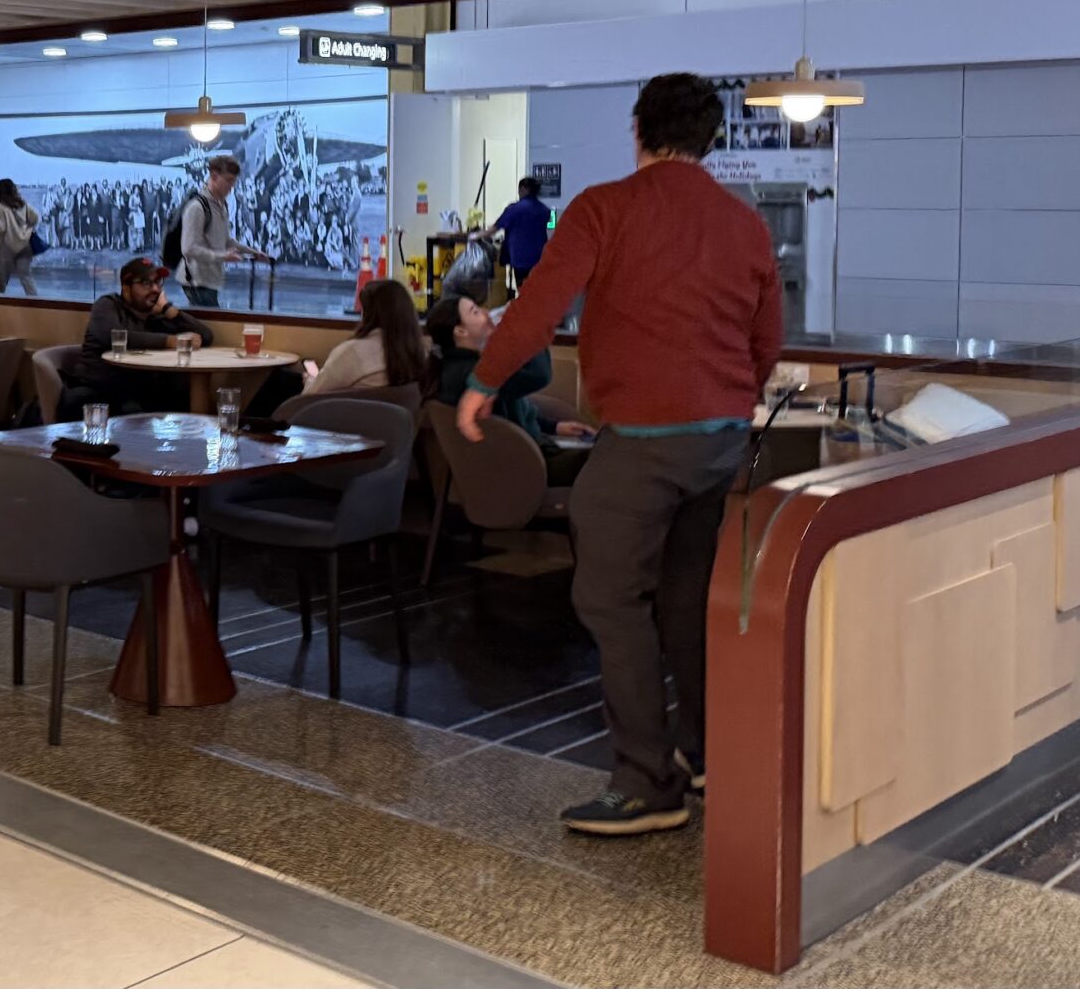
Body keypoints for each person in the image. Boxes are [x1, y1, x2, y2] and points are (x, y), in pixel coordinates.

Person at [458, 73, 781, 837]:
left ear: (638, 129)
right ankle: (706, 754)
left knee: (609, 597)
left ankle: (647, 781)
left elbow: (540, 305)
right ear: (711, 139)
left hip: (642, 440)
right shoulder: (745, 224)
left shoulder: (605, 207)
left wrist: (483, 382)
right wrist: (732, 397)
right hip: (721, 439)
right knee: (685, 595)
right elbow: (767, 337)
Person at [425, 295, 590, 484]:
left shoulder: (456, 366)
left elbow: (512, 410)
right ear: (461, 331)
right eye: (475, 312)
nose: (486, 313)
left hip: (520, 457)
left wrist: (554, 427)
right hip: (525, 468)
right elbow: (539, 375)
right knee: (606, 459)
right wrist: (525, 326)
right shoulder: (474, 374)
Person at [62, 257, 211, 417]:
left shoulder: (156, 316)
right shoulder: (108, 305)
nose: (155, 289)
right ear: (126, 287)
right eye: (146, 283)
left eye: (158, 282)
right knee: (134, 409)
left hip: (136, 392)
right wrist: (171, 341)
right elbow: (113, 336)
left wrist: (169, 309)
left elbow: (206, 336)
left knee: (180, 403)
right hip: (96, 389)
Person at [304, 279, 429, 394]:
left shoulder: (352, 353)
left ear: (369, 313)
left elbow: (310, 395)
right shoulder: (420, 353)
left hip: (346, 412)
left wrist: (310, 380)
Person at [178, 155, 265, 309]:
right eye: (228, 181)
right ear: (214, 177)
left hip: (211, 279)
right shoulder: (197, 207)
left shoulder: (222, 206)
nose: (231, 187)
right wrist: (223, 256)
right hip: (196, 281)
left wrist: (253, 252)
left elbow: (226, 240)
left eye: (233, 182)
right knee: (212, 319)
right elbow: (189, 249)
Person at [0, 178, 41, 296]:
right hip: (24, 247)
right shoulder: (22, 204)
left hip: (7, 248)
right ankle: (36, 303)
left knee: (1, 281)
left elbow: (2, 228)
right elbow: (36, 218)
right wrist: (27, 229)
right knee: (26, 278)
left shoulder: (1, 207)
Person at [490, 177, 553, 290]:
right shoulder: (545, 210)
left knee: (523, 289)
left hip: (520, 257)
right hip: (540, 256)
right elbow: (550, 227)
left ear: (523, 189)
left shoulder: (514, 209)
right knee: (537, 290)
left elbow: (495, 228)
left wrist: (475, 235)